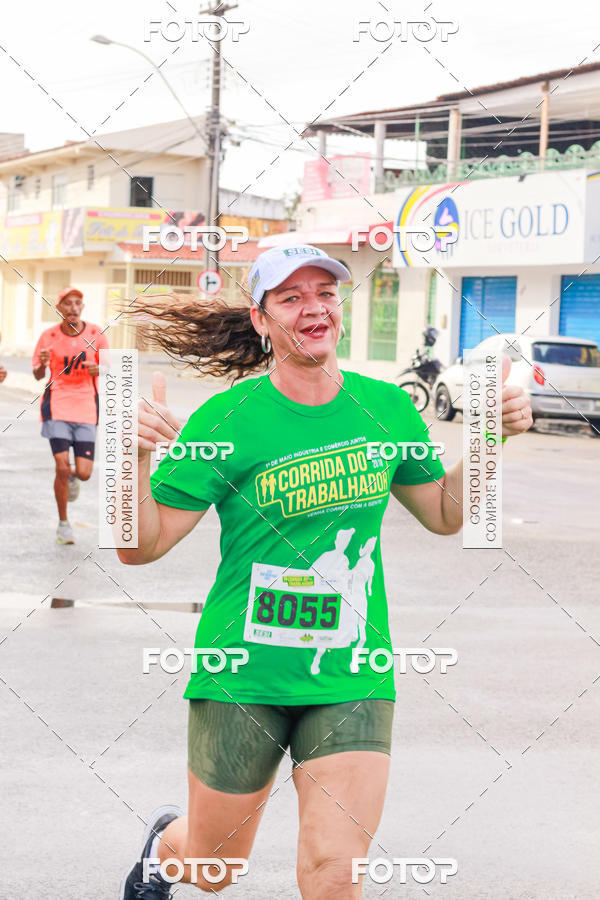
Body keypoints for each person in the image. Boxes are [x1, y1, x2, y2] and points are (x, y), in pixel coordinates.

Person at [118, 244, 533, 899]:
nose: (313, 308)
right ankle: (166, 850)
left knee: (334, 873)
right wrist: (130, 459)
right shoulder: (226, 419)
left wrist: (490, 438)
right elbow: (141, 546)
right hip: (242, 674)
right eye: (290, 297)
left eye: (325, 293)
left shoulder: (386, 409)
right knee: (213, 870)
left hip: (354, 672)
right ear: (261, 320)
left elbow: (445, 515)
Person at [32, 287, 108, 544]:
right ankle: (63, 524)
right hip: (57, 406)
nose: (73, 307)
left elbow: (112, 368)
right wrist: (42, 364)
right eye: (67, 303)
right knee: (61, 466)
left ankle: (74, 476)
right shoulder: (49, 336)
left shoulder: (97, 334)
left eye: (77, 303)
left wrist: (100, 368)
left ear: (82, 307)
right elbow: (38, 375)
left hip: (87, 407)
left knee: (84, 473)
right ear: (59, 308)